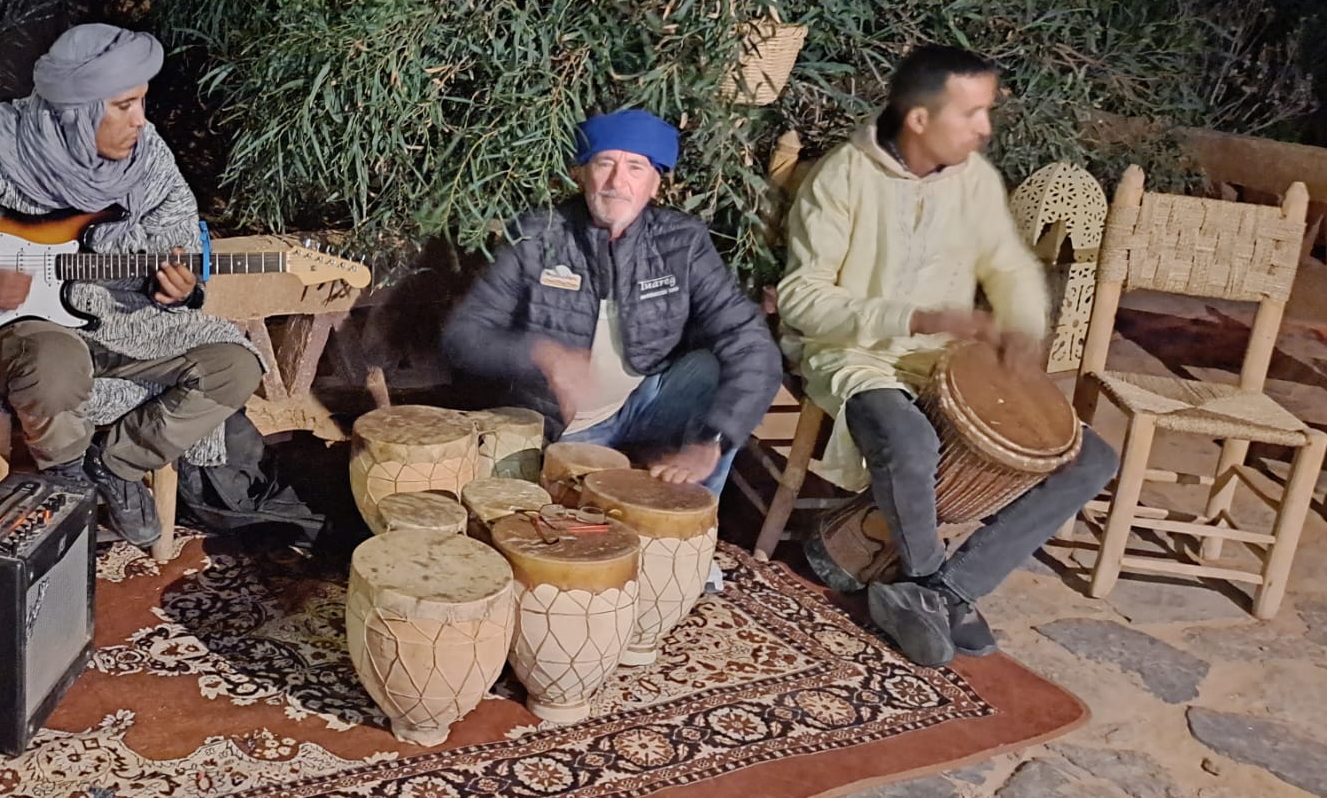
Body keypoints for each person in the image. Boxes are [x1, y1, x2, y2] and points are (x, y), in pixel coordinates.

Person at [0, 24, 262, 546]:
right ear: (77, 110)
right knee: (53, 365)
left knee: (235, 365)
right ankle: (67, 473)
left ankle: (119, 464)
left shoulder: (148, 156)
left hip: (128, 322)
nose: (141, 119)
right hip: (26, 324)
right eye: (124, 105)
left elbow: (174, 233)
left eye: (142, 102)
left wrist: (177, 287)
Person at [776, 45, 1119, 668]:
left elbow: (1010, 266)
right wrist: (915, 318)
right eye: (971, 113)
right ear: (919, 119)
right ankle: (930, 581)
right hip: (855, 355)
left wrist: (1021, 330)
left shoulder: (974, 180)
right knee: (910, 443)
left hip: (947, 362)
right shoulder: (840, 178)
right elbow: (802, 298)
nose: (984, 128)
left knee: (1091, 457)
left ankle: (944, 591)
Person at [442, 109, 782, 502]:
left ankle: (690, 523)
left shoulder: (682, 242)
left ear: (655, 184)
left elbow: (751, 343)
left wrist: (713, 439)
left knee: (715, 371)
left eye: (635, 168)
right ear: (581, 173)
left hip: (648, 403)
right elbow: (462, 335)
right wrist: (544, 354)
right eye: (604, 163)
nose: (617, 182)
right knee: (545, 517)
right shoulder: (537, 235)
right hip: (564, 423)